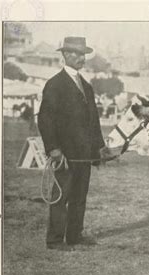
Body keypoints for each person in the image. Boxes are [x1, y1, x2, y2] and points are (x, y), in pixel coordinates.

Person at [38, 36, 113, 251]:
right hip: (64, 154)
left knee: (80, 195)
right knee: (61, 196)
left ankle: (74, 235)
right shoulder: (55, 84)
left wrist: (99, 147)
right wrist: (53, 149)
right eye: (76, 53)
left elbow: (94, 121)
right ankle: (54, 240)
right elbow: (45, 119)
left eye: (83, 54)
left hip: (85, 154)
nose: (81, 58)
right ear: (65, 55)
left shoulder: (86, 86)